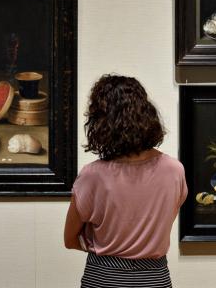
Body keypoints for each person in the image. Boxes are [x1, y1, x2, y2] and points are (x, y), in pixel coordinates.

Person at [64, 75, 187, 288]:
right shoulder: (174, 170)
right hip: (154, 279)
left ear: (101, 122)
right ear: (146, 115)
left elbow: (70, 239)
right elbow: (163, 220)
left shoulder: (92, 175)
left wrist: (102, 244)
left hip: (103, 278)